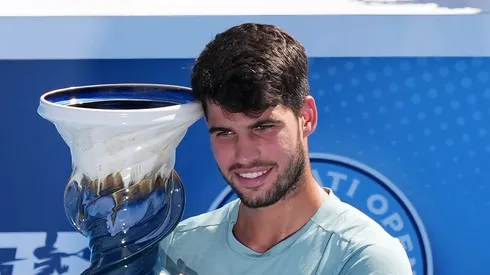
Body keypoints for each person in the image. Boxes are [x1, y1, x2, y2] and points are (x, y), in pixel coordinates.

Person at [157, 23, 412, 275]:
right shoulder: (177, 248)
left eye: (264, 127)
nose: (244, 154)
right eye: (225, 132)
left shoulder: (367, 258)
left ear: (306, 117)